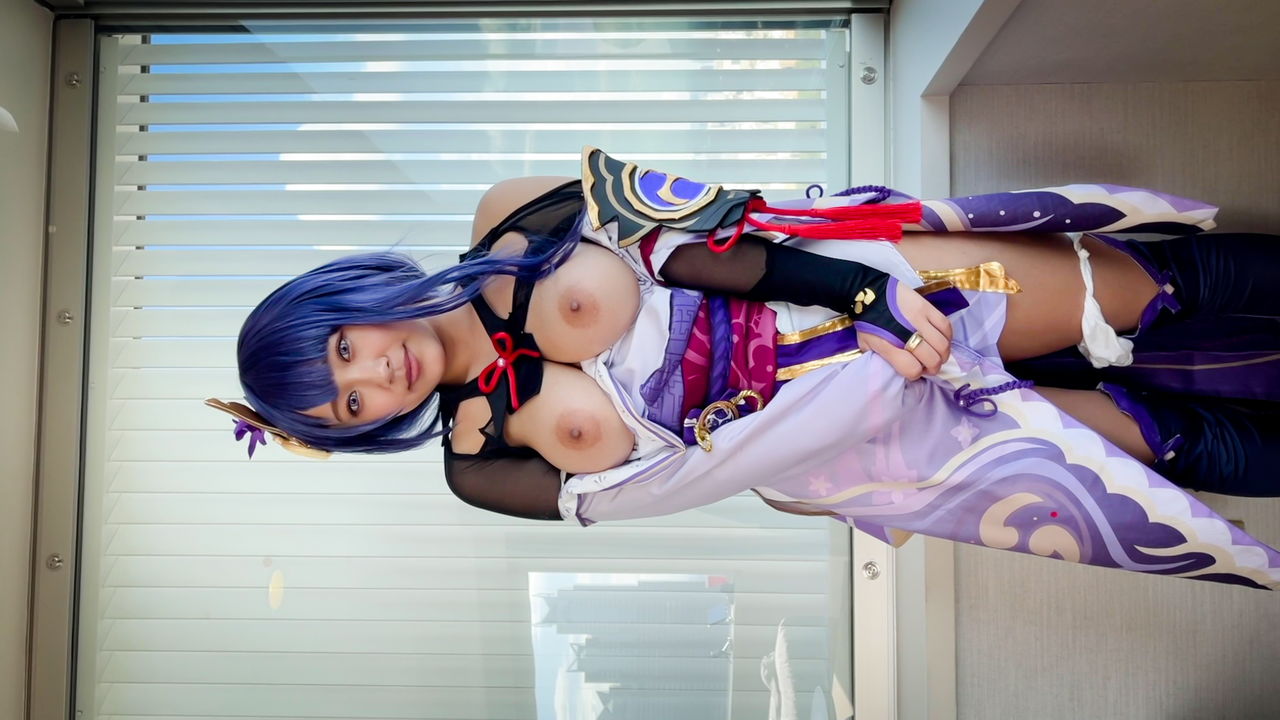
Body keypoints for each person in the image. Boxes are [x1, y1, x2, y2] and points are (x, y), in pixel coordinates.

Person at [214, 147, 1280, 589]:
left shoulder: (506, 217)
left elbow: (697, 229)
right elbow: (677, 482)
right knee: (1150, 455)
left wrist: (861, 297)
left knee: (1141, 291)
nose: (375, 374)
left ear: (344, 300)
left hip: (859, 285)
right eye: (349, 403)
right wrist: (863, 392)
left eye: (343, 348)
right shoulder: (476, 464)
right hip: (870, 436)